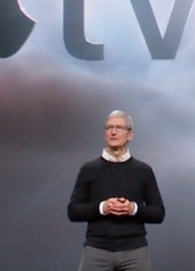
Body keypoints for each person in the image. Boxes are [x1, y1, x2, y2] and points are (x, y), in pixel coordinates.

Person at [68, 110, 165, 271]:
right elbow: (73, 211)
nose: (113, 132)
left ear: (130, 135)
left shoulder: (143, 170)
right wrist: (102, 208)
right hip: (97, 249)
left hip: (134, 251)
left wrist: (132, 209)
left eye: (119, 128)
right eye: (109, 128)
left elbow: (158, 213)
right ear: (105, 134)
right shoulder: (89, 169)